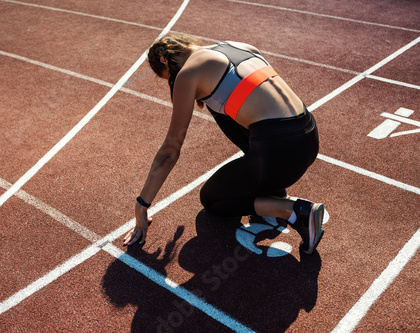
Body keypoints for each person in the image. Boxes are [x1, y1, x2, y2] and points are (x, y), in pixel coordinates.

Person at [123, 34, 325, 254]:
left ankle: (295, 211)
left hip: (279, 152)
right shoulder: (237, 46)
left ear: (165, 61)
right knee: (223, 102)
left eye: (169, 78)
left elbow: (170, 152)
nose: (174, 82)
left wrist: (141, 205)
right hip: (308, 138)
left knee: (211, 199)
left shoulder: (187, 73)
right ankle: (274, 188)